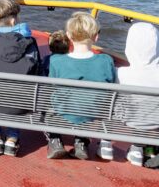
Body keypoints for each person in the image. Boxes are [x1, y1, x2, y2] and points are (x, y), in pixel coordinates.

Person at [46, 12, 116, 160]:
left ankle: (55, 141)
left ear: (69, 36)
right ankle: (81, 141)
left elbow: (51, 86)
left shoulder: (56, 61)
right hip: (93, 112)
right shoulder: (106, 60)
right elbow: (113, 86)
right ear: (96, 36)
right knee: (87, 101)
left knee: (48, 102)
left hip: (63, 110)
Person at [0, 0, 42, 156]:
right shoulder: (29, 42)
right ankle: (12, 139)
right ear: (13, 20)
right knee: (19, 88)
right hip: (20, 104)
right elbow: (36, 72)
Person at [117, 23, 159, 166]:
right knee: (152, 111)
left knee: (137, 109)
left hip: (130, 119)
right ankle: (146, 150)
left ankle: (137, 148)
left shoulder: (122, 73)